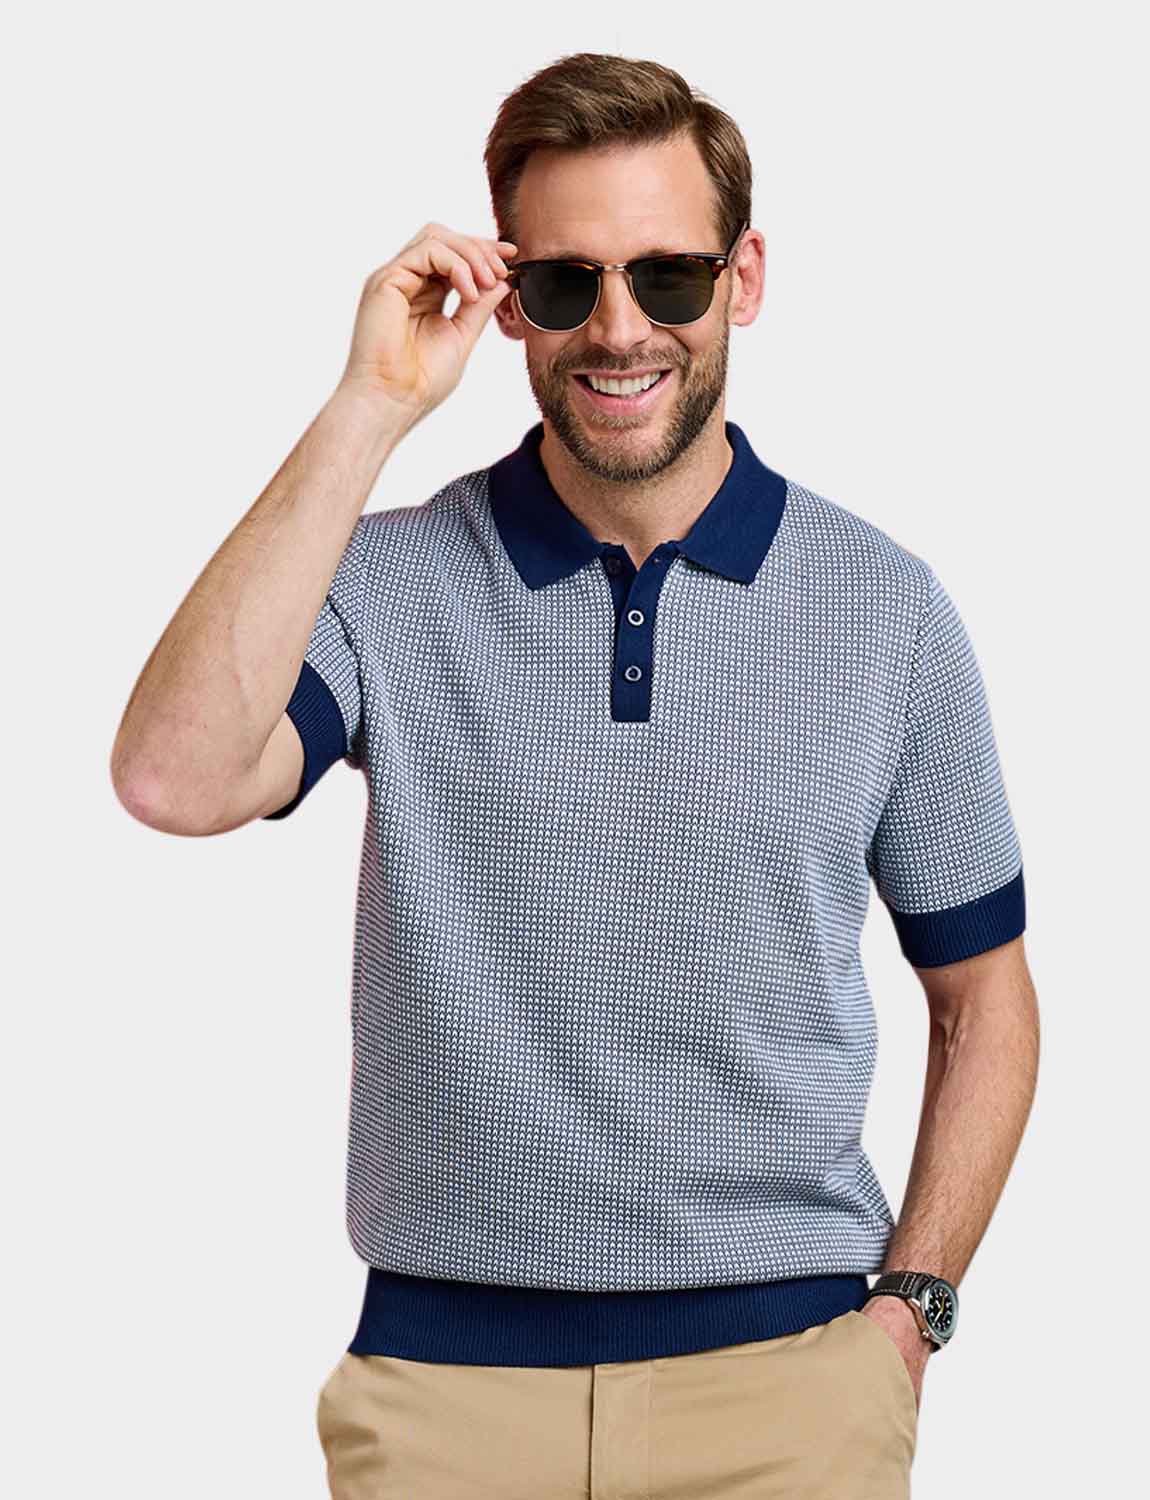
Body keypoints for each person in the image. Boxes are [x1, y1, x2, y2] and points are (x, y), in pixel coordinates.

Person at [111, 50, 1040, 1500]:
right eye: (563, 283)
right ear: (505, 301)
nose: (617, 328)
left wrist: (908, 1315)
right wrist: (368, 405)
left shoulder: (883, 611)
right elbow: (175, 778)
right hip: (445, 1399)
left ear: (741, 279)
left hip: (791, 1390)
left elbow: (984, 999)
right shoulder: (388, 584)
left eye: (666, 276)